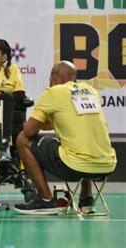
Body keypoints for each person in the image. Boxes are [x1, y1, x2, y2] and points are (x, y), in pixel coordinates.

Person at [13, 61, 117, 215]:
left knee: (22, 140)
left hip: (75, 167)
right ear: (73, 78)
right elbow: (72, 122)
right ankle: (86, 198)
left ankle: (45, 199)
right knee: (78, 140)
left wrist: (36, 123)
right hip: (107, 166)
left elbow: (29, 131)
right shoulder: (90, 91)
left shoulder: (53, 92)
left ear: (53, 78)